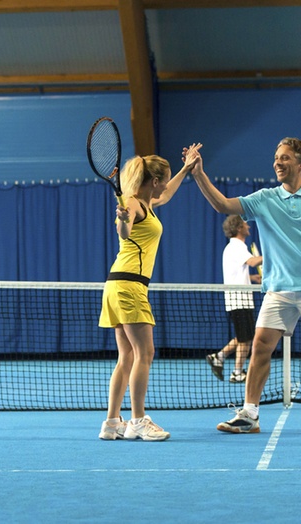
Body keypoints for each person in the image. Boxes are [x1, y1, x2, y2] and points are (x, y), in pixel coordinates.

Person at [187, 137, 301, 433]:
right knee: (261, 347)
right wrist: (199, 173)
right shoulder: (264, 199)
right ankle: (250, 414)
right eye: (276, 157)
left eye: (285, 158)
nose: (277, 162)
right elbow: (223, 205)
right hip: (278, 289)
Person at [98, 144, 202, 442]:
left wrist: (186, 168)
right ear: (153, 181)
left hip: (116, 284)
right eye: (164, 179)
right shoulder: (131, 204)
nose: (166, 185)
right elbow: (125, 231)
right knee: (145, 353)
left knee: (126, 356)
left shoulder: (149, 202)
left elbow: (168, 193)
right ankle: (138, 420)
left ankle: (111, 423)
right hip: (130, 285)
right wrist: (121, 219)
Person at [206, 215, 263, 383]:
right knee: (246, 337)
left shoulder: (237, 247)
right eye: (246, 224)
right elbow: (253, 262)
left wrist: (253, 278)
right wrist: (274, 255)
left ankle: (219, 357)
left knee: (244, 335)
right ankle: (236, 371)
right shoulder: (236, 247)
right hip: (239, 300)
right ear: (238, 228)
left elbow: (238, 271)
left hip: (240, 299)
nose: (249, 227)